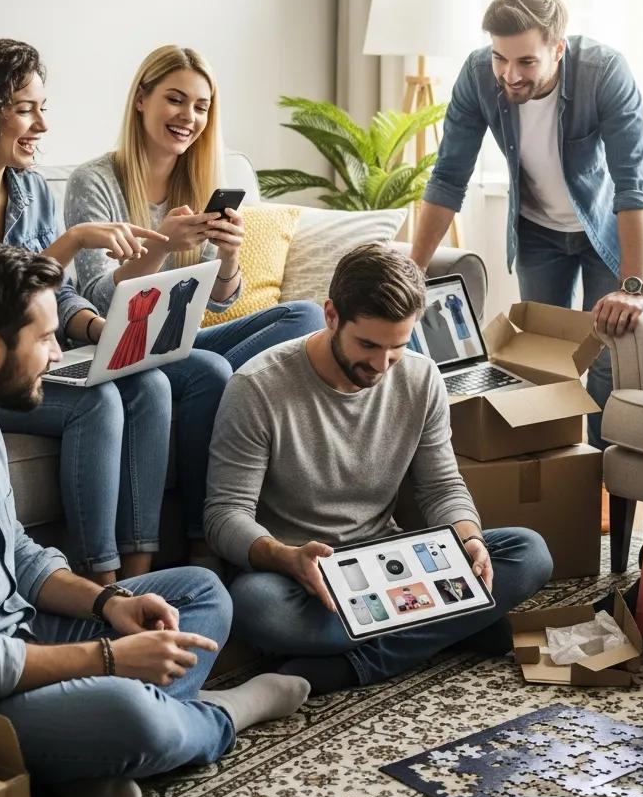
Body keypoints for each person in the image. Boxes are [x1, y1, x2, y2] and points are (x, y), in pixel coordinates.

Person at [0, 243, 309, 797]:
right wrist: (105, 658)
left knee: (201, 593)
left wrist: (109, 602)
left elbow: (19, 556)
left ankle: (82, 759)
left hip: (22, 633)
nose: (56, 356)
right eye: (46, 339)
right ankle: (216, 715)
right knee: (135, 714)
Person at [205, 243, 553, 695]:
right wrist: (285, 556)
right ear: (331, 315)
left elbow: (441, 486)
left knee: (528, 553)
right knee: (256, 607)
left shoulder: (420, 376)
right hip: (303, 579)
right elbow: (224, 516)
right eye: (367, 344)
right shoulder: (257, 387)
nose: (380, 365)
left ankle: (348, 666)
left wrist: (466, 537)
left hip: (391, 564)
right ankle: (451, 628)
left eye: (397, 347)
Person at [0, 39, 175, 583]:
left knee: (149, 382)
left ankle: (138, 571)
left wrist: (97, 327)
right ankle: (98, 580)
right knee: (96, 400)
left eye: (43, 108)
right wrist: (74, 240)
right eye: (25, 109)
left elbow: (56, 294)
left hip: (39, 355)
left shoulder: (30, 189)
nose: (41, 125)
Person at [65, 45, 325, 566]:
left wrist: (228, 257)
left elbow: (220, 303)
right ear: (142, 99)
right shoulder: (94, 181)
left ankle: (234, 399)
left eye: (201, 107)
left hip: (178, 338)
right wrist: (160, 243)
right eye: (175, 100)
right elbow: (97, 297)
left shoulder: (198, 178)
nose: (189, 117)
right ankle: (204, 539)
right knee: (208, 369)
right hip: (116, 344)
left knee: (307, 317)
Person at [409, 0, 643, 446]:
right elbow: (448, 178)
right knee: (543, 355)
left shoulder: (603, 72)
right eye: (500, 58)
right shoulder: (478, 75)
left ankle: (600, 482)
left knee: (607, 355)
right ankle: (553, 474)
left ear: (558, 49)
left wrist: (633, 287)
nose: (509, 74)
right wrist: (413, 270)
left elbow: (635, 185)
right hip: (537, 232)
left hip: (603, 233)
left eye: (526, 62)